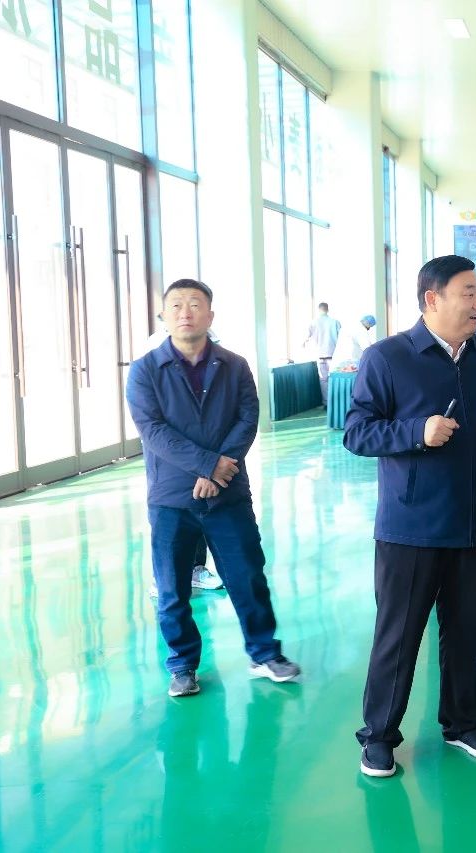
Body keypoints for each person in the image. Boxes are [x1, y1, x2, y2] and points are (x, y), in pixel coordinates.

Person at [344, 255, 476, 778]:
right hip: (412, 527)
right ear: (432, 299)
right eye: (468, 292)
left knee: (466, 632)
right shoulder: (388, 357)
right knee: (398, 637)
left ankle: (462, 723)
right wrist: (415, 432)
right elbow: (357, 432)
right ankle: (379, 735)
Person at [126, 279, 299, 699]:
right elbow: (153, 430)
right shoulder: (145, 370)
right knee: (172, 589)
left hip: (228, 493)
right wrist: (207, 465)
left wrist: (219, 469)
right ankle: (182, 665)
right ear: (164, 316)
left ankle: (264, 654)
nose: (185, 312)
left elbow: (247, 417)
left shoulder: (234, 365)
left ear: (210, 315)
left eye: (195, 304)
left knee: (247, 577)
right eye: (176, 305)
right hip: (172, 499)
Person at [144, 312, 224, 597]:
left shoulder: (211, 341)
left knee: (199, 506)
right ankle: (163, 576)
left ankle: (195, 568)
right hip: (169, 452)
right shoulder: (155, 348)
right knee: (169, 514)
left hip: (203, 444)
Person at [304, 302, 341, 405]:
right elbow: (341, 339)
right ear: (328, 309)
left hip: (319, 355)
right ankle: (335, 403)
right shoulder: (335, 322)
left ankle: (326, 402)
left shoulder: (313, 322)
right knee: (334, 378)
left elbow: (306, 337)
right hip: (333, 355)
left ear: (318, 310)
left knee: (323, 380)